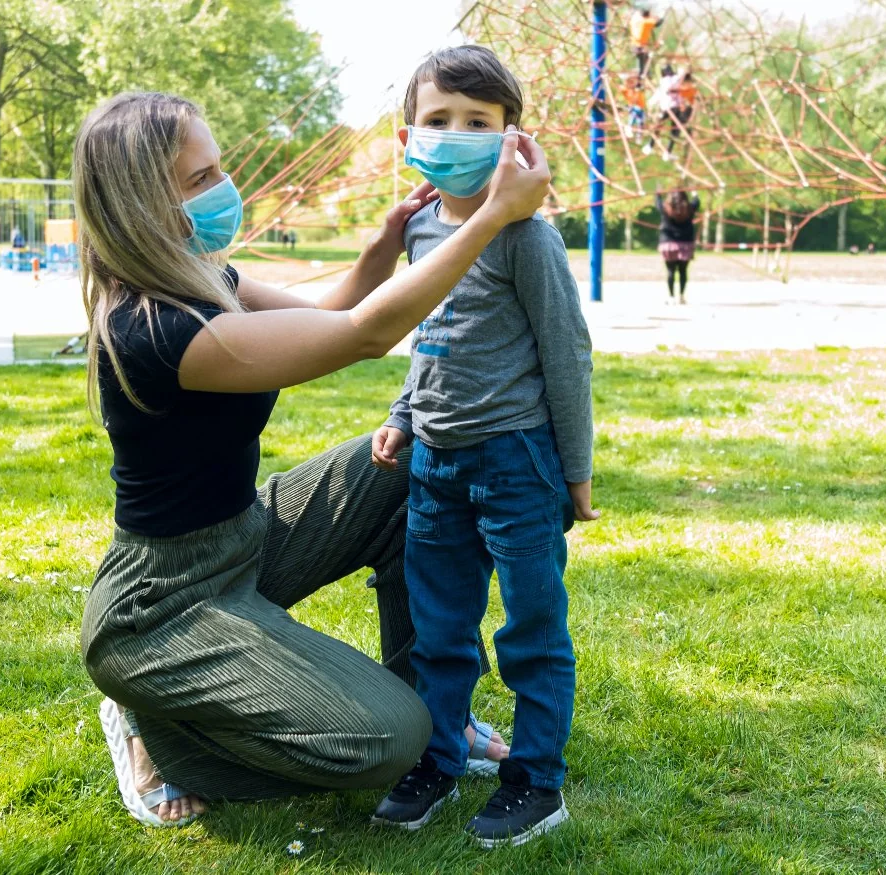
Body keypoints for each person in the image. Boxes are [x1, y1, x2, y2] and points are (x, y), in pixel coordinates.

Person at [74, 90, 550, 829]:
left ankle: (440, 704)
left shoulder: (202, 275)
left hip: (244, 537)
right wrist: (492, 216)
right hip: (161, 603)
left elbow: (329, 309)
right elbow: (361, 336)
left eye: (217, 169)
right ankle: (161, 731)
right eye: (199, 180)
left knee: (408, 463)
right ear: (142, 202)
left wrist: (383, 245)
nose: (222, 189)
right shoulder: (154, 327)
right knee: (385, 740)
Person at [368, 45, 594, 849]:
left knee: (531, 629)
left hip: (516, 462)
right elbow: (429, 336)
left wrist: (576, 470)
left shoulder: (527, 238)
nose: (455, 133)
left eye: (478, 122)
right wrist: (404, 410)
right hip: (435, 462)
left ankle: (536, 779)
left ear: (511, 139)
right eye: (439, 120)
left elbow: (566, 353)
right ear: (408, 136)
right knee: (439, 627)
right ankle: (438, 755)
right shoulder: (421, 228)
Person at [657, 188, 701, 304]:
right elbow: (697, 202)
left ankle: (671, 297)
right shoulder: (689, 209)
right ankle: (681, 296)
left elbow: (658, 203)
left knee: (670, 271)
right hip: (685, 244)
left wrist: (658, 193)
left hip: (669, 244)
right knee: (683, 271)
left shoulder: (666, 209)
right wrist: (694, 193)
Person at [630, 7, 658, 77]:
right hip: (640, 46)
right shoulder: (646, 22)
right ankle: (643, 76)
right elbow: (658, 22)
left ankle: (643, 76)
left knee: (643, 61)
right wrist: (655, 16)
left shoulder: (635, 20)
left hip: (634, 44)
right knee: (644, 62)